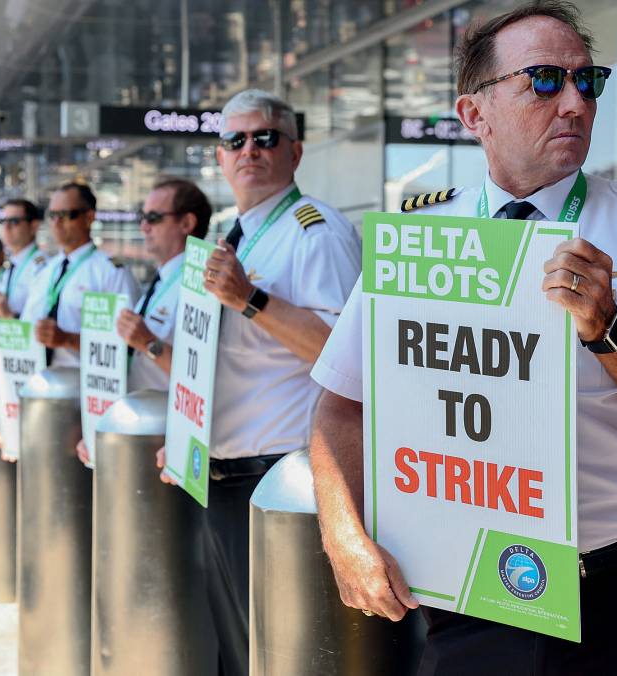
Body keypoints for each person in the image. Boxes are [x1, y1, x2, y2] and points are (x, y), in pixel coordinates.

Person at [307, 3, 617, 674]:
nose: (576, 102)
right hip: (477, 592)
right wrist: (342, 535)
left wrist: (613, 332)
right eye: (546, 81)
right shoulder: (422, 238)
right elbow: (342, 402)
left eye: (590, 81)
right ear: (475, 114)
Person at [155, 89, 361, 676]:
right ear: (220, 158)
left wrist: (252, 300)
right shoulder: (229, 237)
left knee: (276, 656)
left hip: (277, 477)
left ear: (294, 152)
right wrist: (182, 431)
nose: (250, 150)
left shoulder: (315, 231)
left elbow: (342, 353)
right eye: (235, 140)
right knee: (237, 651)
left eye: (266, 137)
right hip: (217, 474)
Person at [75, 177, 212, 466]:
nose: (144, 226)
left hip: (166, 436)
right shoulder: (164, 279)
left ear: (187, 223)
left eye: (153, 217)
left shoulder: (201, 284)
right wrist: (97, 428)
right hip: (137, 429)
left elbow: (203, 376)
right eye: (142, 217)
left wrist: (149, 342)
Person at [20, 182, 139, 368]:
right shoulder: (44, 270)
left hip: (84, 386)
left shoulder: (111, 271)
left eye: (66, 215)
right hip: (39, 383)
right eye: (52, 215)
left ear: (89, 217)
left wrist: (68, 339)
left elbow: (128, 345)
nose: (57, 223)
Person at [0, 198, 48, 320]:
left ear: (33, 226)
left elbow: (40, 318)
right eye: (3, 221)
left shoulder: (41, 265)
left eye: (14, 221)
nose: (7, 227)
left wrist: (8, 315)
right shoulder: (11, 263)